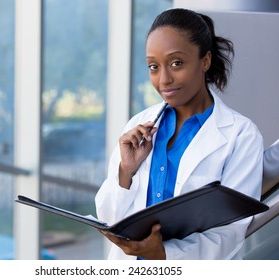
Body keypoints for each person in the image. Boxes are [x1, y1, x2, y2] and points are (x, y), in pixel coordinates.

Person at [95, 8, 263, 260]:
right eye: (154, 66)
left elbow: (232, 232)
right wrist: (125, 171)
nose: (164, 79)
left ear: (205, 60)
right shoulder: (139, 124)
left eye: (176, 63)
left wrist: (166, 254)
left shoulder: (241, 135)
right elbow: (109, 219)